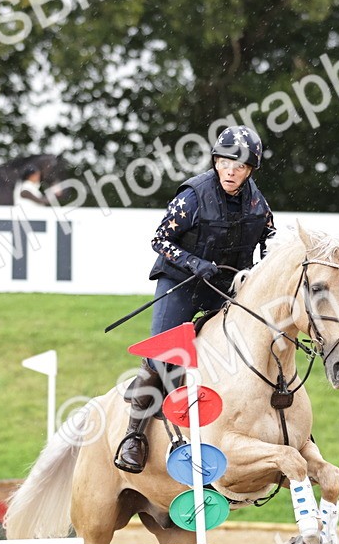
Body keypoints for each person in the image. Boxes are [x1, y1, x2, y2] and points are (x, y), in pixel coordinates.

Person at [114, 126, 275, 474]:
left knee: (254, 343)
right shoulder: (192, 196)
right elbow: (160, 240)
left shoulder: (257, 203)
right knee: (163, 354)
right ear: (216, 161)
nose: (231, 171)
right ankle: (134, 436)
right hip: (181, 281)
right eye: (225, 162)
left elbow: (271, 239)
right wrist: (193, 263)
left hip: (223, 286)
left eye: (240, 166)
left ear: (250, 171)